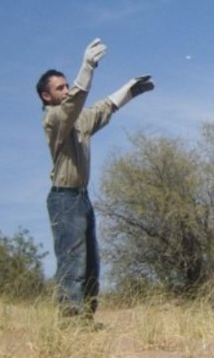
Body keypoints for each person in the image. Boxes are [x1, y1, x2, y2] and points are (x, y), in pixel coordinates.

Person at [36, 38, 154, 321]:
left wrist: (129, 91)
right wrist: (87, 68)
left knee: (91, 260)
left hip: (81, 197)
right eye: (59, 88)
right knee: (72, 258)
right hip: (63, 198)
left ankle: (86, 318)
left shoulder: (78, 121)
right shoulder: (53, 119)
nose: (65, 91)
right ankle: (70, 319)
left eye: (67, 85)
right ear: (46, 96)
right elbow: (74, 104)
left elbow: (102, 109)